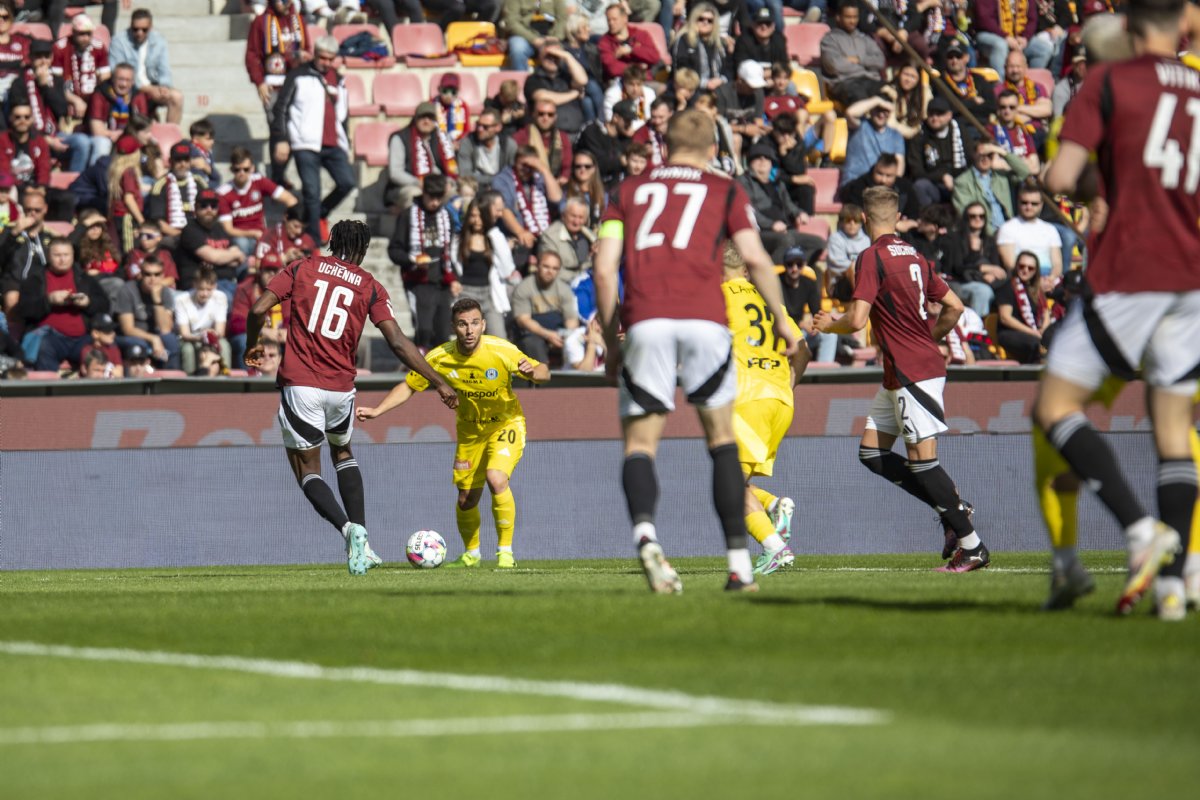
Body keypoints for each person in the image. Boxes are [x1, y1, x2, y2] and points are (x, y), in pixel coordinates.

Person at [1037, 0, 1199, 619]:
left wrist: (1070, 178)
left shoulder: (1109, 80)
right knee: (1174, 429)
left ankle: (1138, 528)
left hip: (1133, 271)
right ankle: (1175, 587)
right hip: (1191, 275)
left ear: (1128, 28)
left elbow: (1062, 179)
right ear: (1181, 23)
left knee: (1054, 407)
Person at [594, 108, 799, 594]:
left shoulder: (626, 191)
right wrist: (782, 320)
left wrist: (611, 339)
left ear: (663, 145)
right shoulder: (725, 189)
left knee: (640, 446)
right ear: (712, 149)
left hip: (647, 319)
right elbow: (755, 258)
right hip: (707, 322)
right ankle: (739, 566)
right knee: (722, 443)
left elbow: (604, 269)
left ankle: (646, 535)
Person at [244, 219, 457, 575]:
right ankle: (365, 547)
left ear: (331, 242)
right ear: (364, 249)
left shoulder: (302, 267)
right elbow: (398, 342)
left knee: (307, 469)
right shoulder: (370, 286)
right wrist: (438, 382)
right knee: (342, 452)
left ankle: (348, 530)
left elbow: (256, 310)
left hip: (302, 383)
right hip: (342, 389)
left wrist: (252, 345)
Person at [814, 186, 986, 571]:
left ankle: (973, 546)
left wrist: (828, 325)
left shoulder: (871, 256)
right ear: (897, 218)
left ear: (864, 219)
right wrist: (928, 337)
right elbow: (955, 306)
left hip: (912, 371)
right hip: (903, 369)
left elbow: (856, 320)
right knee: (872, 454)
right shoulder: (916, 256)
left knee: (923, 461)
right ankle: (953, 510)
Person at [357, 296, 549, 567]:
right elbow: (409, 386)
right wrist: (378, 410)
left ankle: (505, 552)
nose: (469, 330)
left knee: (496, 478)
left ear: (483, 325)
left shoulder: (501, 350)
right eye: (462, 324)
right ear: (453, 327)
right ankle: (472, 554)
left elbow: (544, 371)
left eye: (474, 323)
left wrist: (534, 372)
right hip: (470, 433)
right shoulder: (440, 357)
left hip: (505, 424)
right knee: (466, 499)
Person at [721, 243, 809, 576]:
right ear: (746, 269)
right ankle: (773, 505)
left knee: (728, 487)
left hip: (747, 398)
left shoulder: (718, 298)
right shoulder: (771, 302)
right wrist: (788, 385)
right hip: (781, 401)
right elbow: (803, 351)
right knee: (733, 480)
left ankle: (775, 548)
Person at [270, 36, 355, 242]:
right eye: (322, 58)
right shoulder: (298, 75)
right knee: (312, 191)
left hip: (333, 143)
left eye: (330, 59)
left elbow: (343, 114)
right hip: (304, 142)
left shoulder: (339, 79)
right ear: (315, 54)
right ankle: (314, 240)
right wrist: (282, 138)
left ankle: (319, 215)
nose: (326, 62)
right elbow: (280, 108)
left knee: (347, 182)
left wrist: (346, 143)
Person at [14, 237, 110, 372]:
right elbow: (24, 310)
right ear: (49, 256)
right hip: (50, 338)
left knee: (101, 351)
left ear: (73, 256)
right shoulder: (35, 279)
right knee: (43, 347)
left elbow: (105, 305)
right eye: (57, 255)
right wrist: (49, 300)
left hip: (82, 338)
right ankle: (49, 383)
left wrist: (88, 303)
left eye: (66, 255)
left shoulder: (84, 278)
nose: (62, 259)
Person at [245, 0, 312, 185]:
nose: (285, 3)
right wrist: (259, 82)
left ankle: (278, 174)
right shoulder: (260, 22)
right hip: (273, 86)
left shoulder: (299, 20)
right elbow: (252, 54)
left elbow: (308, 48)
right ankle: (278, 176)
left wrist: (304, 56)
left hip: (296, 84)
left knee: (292, 130)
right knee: (278, 130)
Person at [389, 174, 457, 351]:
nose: (435, 202)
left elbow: (451, 252)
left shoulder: (447, 216)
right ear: (423, 193)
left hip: (442, 282)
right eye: (431, 197)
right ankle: (420, 364)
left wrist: (454, 278)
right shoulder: (407, 216)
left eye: (439, 198)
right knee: (424, 331)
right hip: (418, 282)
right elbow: (394, 251)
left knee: (443, 334)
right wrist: (412, 260)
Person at [216, 146, 299, 258]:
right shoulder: (223, 193)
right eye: (237, 170)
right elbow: (228, 229)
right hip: (239, 236)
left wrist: (289, 223)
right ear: (231, 170)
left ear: (252, 168)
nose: (242, 173)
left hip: (261, 233)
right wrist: (253, 233)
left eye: (246, 169)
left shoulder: (259, 181)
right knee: (242, 244)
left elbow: (290, 199)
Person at [451, 196, 515, 338]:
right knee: (469, 337)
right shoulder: (459, 238)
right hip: (466, 292)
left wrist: (493, 233)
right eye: (473, 216)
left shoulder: (494, 237)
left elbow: (507, 269)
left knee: (499, 338)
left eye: (481, 216)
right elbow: (453, 264)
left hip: (489, 293)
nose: (477, 220)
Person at [108, 8, 182, 125]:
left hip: (153, 85)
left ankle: (170, 134)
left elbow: (164, 68)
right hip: (130, 88)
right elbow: (118, 73)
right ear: (130, 26)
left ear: (150, 27)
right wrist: (149, 89)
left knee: (177, 97)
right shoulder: (119, 41)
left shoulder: (159, 40)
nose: (139, 33)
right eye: (135, 29)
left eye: (144, 29)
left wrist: (164, 86)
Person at [386, 101, 458, 211]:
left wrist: (447, 182)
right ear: (415, 118)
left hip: (438, 184)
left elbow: (451, 168)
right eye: (423, 117)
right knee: (415, 195)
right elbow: (395, 173)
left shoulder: (442, 138)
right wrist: (419, 182)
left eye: (431, 118)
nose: (426, 121)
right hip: (409, 185)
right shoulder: (400, 138)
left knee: (456, 195)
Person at [174, 189, 246, 298]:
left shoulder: (219, 227)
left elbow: (238, 259)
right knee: (229, 299)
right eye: (204, 206)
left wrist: (226, 257)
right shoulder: (190, 229)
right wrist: (232, 256)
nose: (209, 209)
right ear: (196, 208)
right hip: (201, 286)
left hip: (228, 281)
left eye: (213, 206)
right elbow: (214, 257)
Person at [113, 253, 180, 369]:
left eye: (157, 274)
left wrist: (157, 300)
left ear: (162, 275)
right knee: (140, 344)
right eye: (147, 274)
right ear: (141, 274)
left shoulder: (165, 292)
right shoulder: (127, 290)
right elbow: (127, 329)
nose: (152, 279)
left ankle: (171, 375)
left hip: (157, 335)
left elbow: (165, 329)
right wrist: (153, 338)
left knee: (171, 340)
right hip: (132, 336)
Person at [511, 249, 579, 362]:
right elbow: (523, 320)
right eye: (546, 266)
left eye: (555, 268)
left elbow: (571, 320)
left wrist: (566, 337)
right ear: (537, 266)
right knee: (533, 343)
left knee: (576, 341)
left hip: (558, 331)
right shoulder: (524, 287)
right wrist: (548, 335)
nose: (550, 271)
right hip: (532, 333)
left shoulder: (565, 289)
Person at [952, 140, 1031, 236]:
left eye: (990, 155)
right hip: (984, 234)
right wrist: (993, 235)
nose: (985, 159)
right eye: (981, 155)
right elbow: (967, 214)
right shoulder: (962, 182)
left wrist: (1001, 152)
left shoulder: (1001, 176)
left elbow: (1024, 171)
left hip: (1008, 230)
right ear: (974, 155)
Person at [229, 252, 289, 369]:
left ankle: (291, 378)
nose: (271, 274)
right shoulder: (246, 288)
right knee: (244, 341)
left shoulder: (287, 289)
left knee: (296, 341)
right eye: (267, 270)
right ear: (260, 271)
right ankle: (249, 378)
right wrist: (263, 331)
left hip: (278, 335)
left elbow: (291, 318)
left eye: (275, 270)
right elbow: (237, 323)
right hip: (256, 335)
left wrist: (286, 332)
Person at [819, 1, 886, 106]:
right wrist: (866, 66)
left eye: (855, 17)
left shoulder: (865, 39)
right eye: (848, 17)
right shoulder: (829, 40)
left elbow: (880, 61)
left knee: (890, 91)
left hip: (870, 80)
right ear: (838, 17)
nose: (852, 21)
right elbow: (834, 66)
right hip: (845, 83)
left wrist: (859, 60)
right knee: (859, 95)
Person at [996, 182, 1062, 280]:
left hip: (1048, 277)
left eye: (1034, 204)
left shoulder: (1050, 229)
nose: (1029, 207)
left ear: (1041, 205)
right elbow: (1010, 264)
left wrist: (1050, 279)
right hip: (1023, 276)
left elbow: (1057, 264)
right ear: (1018, 202)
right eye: (1024, 202)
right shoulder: (1007, 228)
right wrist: (1036, 282)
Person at [994, 250, 1049, 364]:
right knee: (1035, 344)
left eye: (1030, 268)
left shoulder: (1036, 290)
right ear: (1016, 266)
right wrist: (1032, 332)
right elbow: (1005, 318)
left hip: (1034, 332)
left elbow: (1046, 313)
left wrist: (1044, 330)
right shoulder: (1007, 286)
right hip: (1010, 333)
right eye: (1022, 266)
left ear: (1035, 271)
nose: (1025, 270)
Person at [87, 62, 149, 163]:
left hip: (129, 136)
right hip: (106, 137)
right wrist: (116, 134)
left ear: (133, 82)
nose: (123, 84)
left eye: (128, 80)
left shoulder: (138, 96)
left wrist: (122, 134)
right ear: (112, 79)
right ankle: (98, 171)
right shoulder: (100, 94)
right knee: (102, 143)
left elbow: (143, 127)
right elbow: (97, 131)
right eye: (120, 79)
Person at [146, 141, 208, 240]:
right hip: (173, 237)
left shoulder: (200, 182)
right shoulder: (160, 185)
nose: (183, 164)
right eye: (178, 160)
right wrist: (182, 236)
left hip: (199, 235)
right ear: (170, 161)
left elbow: (209, 213)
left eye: (186, 160)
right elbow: (158, 221)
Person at [174, 266, 230, 374]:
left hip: (211, 336)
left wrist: (211, 335)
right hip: (190, 338)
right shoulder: (182, 300)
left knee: (224, 345)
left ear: (215, 286)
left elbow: (220, 331)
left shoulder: (220, 298)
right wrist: (202, 337)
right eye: (201, 289)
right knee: (188, 350)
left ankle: (225, 376)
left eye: (209, 289)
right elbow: (185, 334)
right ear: (194, 285)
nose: (205, 294)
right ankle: (190, 377)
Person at [50, 14, 109, 109]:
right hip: (66, 97)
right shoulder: (60, 48)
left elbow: (105, 77)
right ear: (73, 32)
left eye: (89, 34)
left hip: (93, 97)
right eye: (81, 34)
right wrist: (75, 100)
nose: (86, 38)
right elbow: (56, 82)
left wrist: (95, 101)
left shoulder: (99, 47)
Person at [598, 1, 661, 82]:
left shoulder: (640, 34)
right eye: (608, 20)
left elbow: (654, 57)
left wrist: (632, 50)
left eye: (614, 19)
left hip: (645, 81)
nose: (611, 23)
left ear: (625, 18)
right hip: (621, 81)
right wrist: (637, 68)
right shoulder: (605, 42)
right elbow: (612, 67)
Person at [671, 3, 727, 93]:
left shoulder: (719, 44)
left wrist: (721, 80)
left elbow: (728, 68)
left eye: (710, 20)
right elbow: (680, 69)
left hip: (718, 87)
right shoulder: (684, 39)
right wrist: (705, 83)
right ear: (694, 20)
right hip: (691, 88)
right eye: (701, 19)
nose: (705, 22)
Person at [539, 195, 595, 284]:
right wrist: (580, 277)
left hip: (585, 282)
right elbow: (551, 271)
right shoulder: (550, 237)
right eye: (573, 216)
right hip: (560, 285)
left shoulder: (590, 236)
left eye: (581, 217)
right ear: (563, 215)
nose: (576, 222)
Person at [457, 108, 516, 191]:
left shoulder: (508, 145)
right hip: (475, 187)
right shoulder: (468, 142)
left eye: (485, 127)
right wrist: (494, 179)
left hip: (501, 187)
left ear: (498, 127)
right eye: (478, 125)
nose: (480, 129)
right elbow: (465, 175)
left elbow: (513, 174)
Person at [503, 0, 570, 72]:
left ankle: (557, 78)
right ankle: (520, 77)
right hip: (524, 36)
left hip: (551, 36)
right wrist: (533, 39)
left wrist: (556, 37)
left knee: (564, 51)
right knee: (518, 49)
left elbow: (562, 19)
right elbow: (511, 22)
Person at [825, 203, 869, 303]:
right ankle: (861, 302)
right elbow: (841, 265)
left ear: (861, 222)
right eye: (848, 220)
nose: (852, 224)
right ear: (842, 222)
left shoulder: (866, 240)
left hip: (862, 280)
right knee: (853, 268)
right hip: (840, 284)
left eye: (856, 220)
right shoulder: (835, 239)